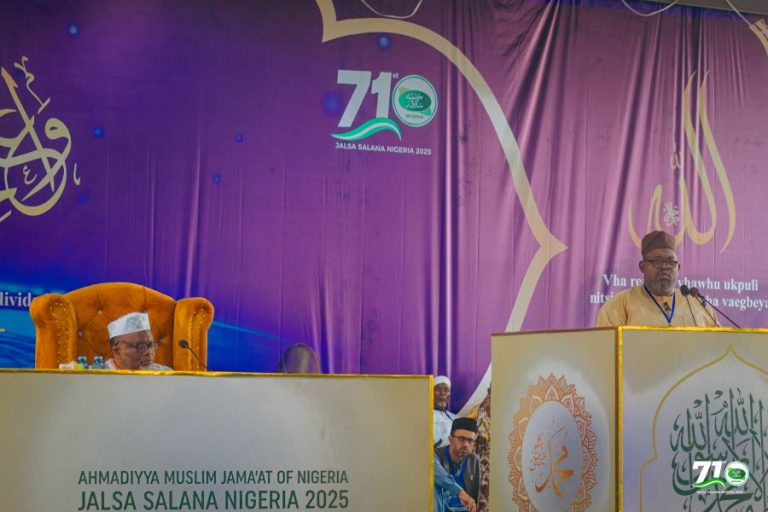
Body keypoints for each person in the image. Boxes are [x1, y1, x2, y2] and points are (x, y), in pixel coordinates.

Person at [596, 230, 719, 327]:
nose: (665, 267)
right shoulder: (619, 305)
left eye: (671, 262)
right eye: (657, 261)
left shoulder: (699, 306)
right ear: (642, 267)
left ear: (679, 267)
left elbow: (716, 347)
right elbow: (607, 352)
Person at [434, 417, 480, 512]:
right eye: (461, 439)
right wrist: (460, 492)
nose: (466, 444)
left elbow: (476, 498)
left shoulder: (474, 461)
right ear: (450, 439)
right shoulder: (435, 455)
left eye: (470, 441)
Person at [105, 312, 171, 370]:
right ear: (117, 351)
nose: (148, 352)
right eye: (140, 346)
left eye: (150, 345)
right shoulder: (99, 377)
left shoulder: (165, 374)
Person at [433, 375, 457, 447]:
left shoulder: (456, 418)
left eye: (446, 390)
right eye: (438, 389)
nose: (443, 393)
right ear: (432, 392)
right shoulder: (426, 416)